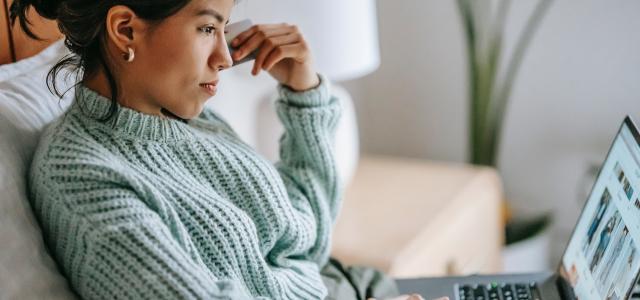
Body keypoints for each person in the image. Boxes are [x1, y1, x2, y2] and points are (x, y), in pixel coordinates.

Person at [10, 0, 448, 299]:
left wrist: (304, 93)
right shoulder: (80, 176)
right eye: (206, 27)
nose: (223, 56)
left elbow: (303, 241)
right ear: (125, 29)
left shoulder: (188, 121)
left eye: (224, 27)